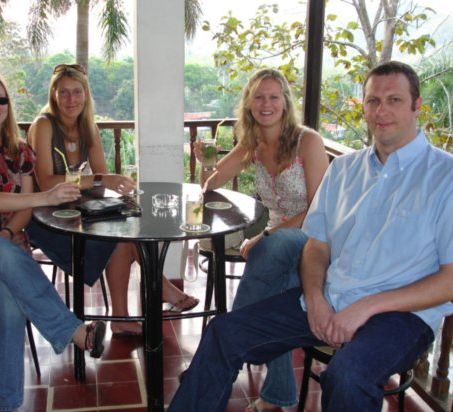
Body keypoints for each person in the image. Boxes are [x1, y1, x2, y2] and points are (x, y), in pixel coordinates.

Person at [168, 60, 453, 412]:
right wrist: (315, 298)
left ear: (417, 105)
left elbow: (449, 280)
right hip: (331, 297)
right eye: (373, 101)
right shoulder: (346, 169)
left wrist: (366, 306)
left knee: (347, 375)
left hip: (402, 314)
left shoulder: (445, 176)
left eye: (394, 100)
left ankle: (276, 389)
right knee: (224, 332)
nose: (381, 111)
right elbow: (317, 245)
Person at [0, 70, 106, 412]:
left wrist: (8, 233)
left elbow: (24, 210)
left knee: (10, 298)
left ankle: (4, 403)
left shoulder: (20, 151)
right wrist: (46, 198)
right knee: (1, 252)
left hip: (7, 245)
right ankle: (72, 332)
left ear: (8, 106)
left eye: (1, 99)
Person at [26, 63, 198, 336]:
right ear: (54, 95)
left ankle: (122, 318)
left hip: (78, 209)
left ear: (86, 95)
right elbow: (47, 181)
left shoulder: (88, 127)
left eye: (77, 92)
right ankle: (158, 287)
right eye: (64, 92)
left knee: (123, 232)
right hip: (47, 216)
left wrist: (113, 186)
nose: (71, 99)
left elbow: (101, 177)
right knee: (120, 238)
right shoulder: (44, 125)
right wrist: (99, 180)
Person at [194, 68, 328, 411]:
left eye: (273, 97)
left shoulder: (308, 141)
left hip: (313, 239)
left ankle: (225, 344)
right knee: (273, 296)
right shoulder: (252, 143)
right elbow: (210, 183)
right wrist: (204, 161)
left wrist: (266, 235)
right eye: (259, 97)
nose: (266, 104)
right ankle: (277, 394)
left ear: (285, 102)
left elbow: (319, 209)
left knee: (269, 249)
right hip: (276, 244)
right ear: (249, 103)